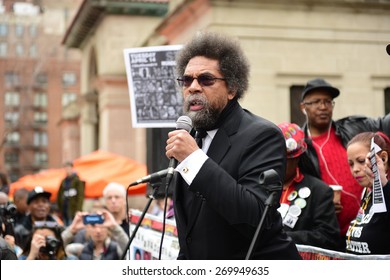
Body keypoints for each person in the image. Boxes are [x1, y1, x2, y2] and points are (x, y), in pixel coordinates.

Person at [165, 31, 301, 259]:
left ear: (232, 89)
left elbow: (256, 218)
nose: (193, 87)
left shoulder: (262, 135)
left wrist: (194, 160)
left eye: (206, 79)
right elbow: (191, 232)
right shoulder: (192, 136)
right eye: (187, 80)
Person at [299, 78, 390, 239]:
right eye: (316, 102)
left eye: (328, 101)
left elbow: (385, 124)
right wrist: (321, 204)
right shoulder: (301, 148)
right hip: (332, 234)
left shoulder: (353, 127)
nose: (323, 106)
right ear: (303, 107)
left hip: (370, 228)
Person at [277, 122, 341, 251]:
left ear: (297, 158)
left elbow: (328, 237)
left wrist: (281, 238)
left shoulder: (319, 191)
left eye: (285, 159)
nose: (278, 164)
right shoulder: (259, 186)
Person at [345, 132, 390, 255]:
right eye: (351, 164)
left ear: (383, 159)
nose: (355, 169)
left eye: (361, 161)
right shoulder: (366, 192)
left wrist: (383, 184)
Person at [61, 209, 129, 260]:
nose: (98, 231)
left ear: (108, 228)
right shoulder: (79, 249)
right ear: (87, 228)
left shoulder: (117, 249)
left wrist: (115, 227)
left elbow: (130, 251)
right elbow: (55, 247)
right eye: (93, 226)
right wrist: (72, 229)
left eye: (102, 226)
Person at [14, 186, 58, 251]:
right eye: (36, 202)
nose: (41, 205)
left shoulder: (57, 228)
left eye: (44, 201)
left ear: (49, 206)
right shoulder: (18, 231)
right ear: (28, 206)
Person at [57, 161, 85, 226]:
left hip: (73, 209)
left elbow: (80, 196)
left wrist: (78, 209)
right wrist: (60, 209)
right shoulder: (63, 181)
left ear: (72, 168)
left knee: (72, 225)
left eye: (68, 168)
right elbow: (59, 195)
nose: (67, 170)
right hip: (65, 209)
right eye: (66, 168)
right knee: (65, 225)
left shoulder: (77, 181)